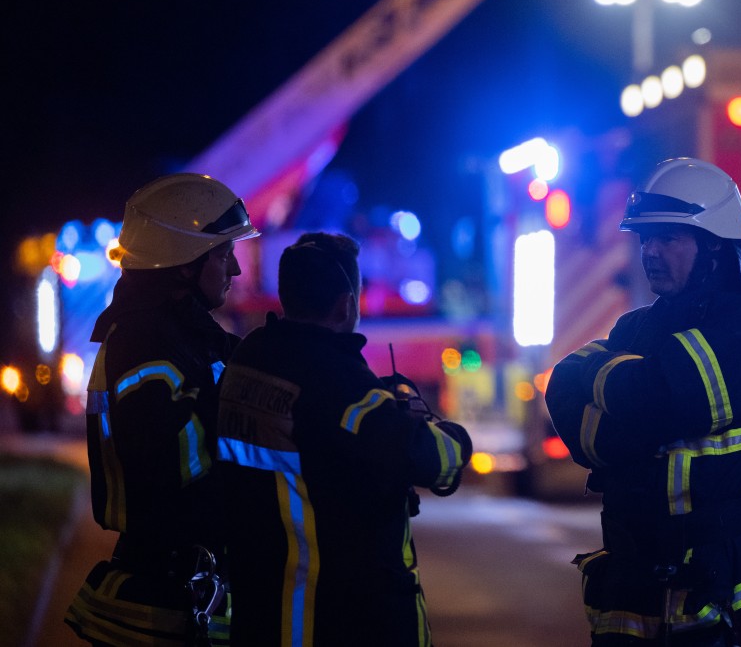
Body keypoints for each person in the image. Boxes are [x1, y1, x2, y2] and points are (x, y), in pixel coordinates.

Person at [546, 157, 741, 646]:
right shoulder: (636, 327)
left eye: (669, 239)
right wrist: (633, 398)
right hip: (631, 588)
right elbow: (562, 387)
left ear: (716, 247)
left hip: (714, 590)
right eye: (645, 239)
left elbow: (656, 400)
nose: (651, 252)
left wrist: (623, 401)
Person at [215, 231, 472, 646]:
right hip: (338, 617)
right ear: (347, 304)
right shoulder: (343, 387)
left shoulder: (248, 360)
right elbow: (430, 460)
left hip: (261, 605)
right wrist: (455, 437)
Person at [65, 172, 260, 646]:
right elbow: (167, 460)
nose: (234, 271)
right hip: (163, 598)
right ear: (184, 264)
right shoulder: (145, 345)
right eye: (224, 255)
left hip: (184, 580)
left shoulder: (187, 338)